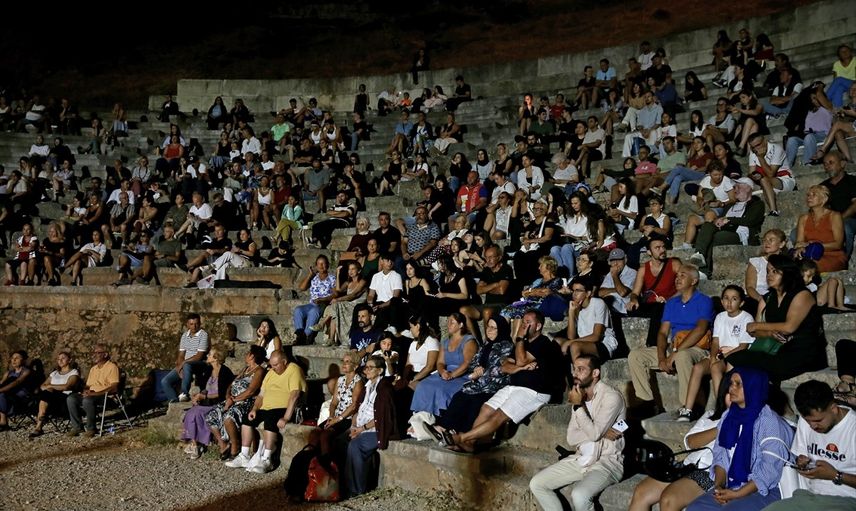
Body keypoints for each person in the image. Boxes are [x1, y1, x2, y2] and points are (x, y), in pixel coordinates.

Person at [446, 310, 564, 453]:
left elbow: (521, 360)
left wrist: (519, 341)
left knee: (498, 415)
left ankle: (462, 438)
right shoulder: (523, 344)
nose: (524, 325)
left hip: (534, 391)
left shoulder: (543, 343)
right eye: (523, 322)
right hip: (513, 386)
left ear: (538, 326)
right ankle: (472, 443)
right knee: (486, 409)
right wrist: (520, 368)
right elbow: (505, 366)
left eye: (528, 322)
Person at [685, 367, 794, 511]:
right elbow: (721, 457)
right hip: (734, 484)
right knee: (696, 508)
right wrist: (719, 487)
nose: (731, 388)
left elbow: (768, 472)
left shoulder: (769, 422)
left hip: (767, 488)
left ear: (753, 387)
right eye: (731, 383)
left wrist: (737, 494)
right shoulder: (729, 416)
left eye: (738, 384)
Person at [529, 354, 626, 511]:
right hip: (581, 459)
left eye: (581, 369)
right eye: (574, 369)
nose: (575, 373)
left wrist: (579, 407)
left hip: (606, 463)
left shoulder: (611, 397)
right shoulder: (578, 394)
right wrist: (601, 432)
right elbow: (571, 438)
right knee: (537, 483)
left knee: (579, 495)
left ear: (595, 373)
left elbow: (594, 434)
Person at [629, 378, 732, 511]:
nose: (733, 397)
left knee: (669, 499)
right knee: (641, 491)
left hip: (710, 474)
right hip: (688, 465)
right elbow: (690, 442)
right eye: (730, 392)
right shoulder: (710, 416)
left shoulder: (749, 424)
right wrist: (721, 428)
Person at [629, 264, 713, 418]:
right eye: (677, 275)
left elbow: (700, 329)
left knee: (682, 356)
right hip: (674, 347)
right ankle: (647, 403)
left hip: (696, 348)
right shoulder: (671, 303)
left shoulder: (704, 301)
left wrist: (675, 353)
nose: (677, 278)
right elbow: (662, 332)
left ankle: (688, 406)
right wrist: (662, 358)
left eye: (683, 275)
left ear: (694, 281)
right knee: (636, 356)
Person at [728, 255, 828, 383]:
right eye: (768, 271)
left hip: (805, 351)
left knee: (746, 363)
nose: (769, 275)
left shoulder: (802, 295)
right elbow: (754, 332)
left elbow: (789, 327)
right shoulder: (768, 298)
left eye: (775, 271)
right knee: (736, 359)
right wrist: (769, 333)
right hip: (781, 349)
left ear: (787, 273)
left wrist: (757, 325)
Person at [760, 380, 856, 509]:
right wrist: (801, 463)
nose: (813, 426)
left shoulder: (852, 427)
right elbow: (799, 457)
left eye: (818, 420)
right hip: (810, 496)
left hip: (848, 500)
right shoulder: (806, 423)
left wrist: (835, 475)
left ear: (834, 408)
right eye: (808, 421)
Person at [679, 285, 754, 422]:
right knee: (698, 368)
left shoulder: (746, 318)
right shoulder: (720, 317)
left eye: (734, 299)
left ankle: (723, 408)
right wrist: (713, 356)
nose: (729, 302)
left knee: (716, 368)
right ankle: (687, 409)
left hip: (736, 355)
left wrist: (722, 356)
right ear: (721, 301)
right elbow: (715, 342)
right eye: (726, 298)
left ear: (741, 302)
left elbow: (743, 346)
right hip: (720, 354)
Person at [429, 316, 513, 437]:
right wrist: (476, 369)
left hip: (495, 385)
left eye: (493, 328)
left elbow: (499, 368)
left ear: (501, 329)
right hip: (480, 383)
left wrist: (481, 373)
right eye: (488, 326)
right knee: (460, 396)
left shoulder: (506, 346)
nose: (489, 330)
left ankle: (463, 434)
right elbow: (474, 362)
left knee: (475, 402)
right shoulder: (486, 345)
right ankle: (444, 428)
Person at [225, 350, 306, 473]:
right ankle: (244, 455)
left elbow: (295, 395)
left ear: (284, 362)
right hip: (266, 408)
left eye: (276, 365)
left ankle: (267, 459)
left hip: (283, 407)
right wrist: (254, 409)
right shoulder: (271, 373)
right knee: (247, 419)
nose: (273, 368)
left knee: (270, 420)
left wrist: (286, 417)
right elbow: (261, 395)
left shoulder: (294, 370)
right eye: (272, 365)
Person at [344, 354, 397, 498]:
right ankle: (341, 484)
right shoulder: (367, 386)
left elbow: (381, 417)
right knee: (340, 441)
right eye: (366, 367)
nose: (366, 370)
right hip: (360, 427)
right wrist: (354, 424)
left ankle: (356, 489)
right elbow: (359, 408)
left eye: (370, 368)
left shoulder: (384, 389)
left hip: (375, 430)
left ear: (380, 371)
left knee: (356, 445)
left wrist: (361, 429)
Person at [410, 313, 477, 418]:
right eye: (448, 321)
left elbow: (467, 363)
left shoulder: (469, 341)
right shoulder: (445, 342)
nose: (448, 324)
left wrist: (452, 375)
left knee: (442, 390)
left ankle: (440, 417)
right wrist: (442, 372)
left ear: (461, 325)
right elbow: (440, 362)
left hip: (461, 374)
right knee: (423, 385)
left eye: (452, 322)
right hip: (445, 373)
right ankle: (421, 416)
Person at [206, 345, 266, 460]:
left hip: (245, 402)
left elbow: (250, 391)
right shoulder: (245, 369)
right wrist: (228, 397)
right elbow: (231, 385)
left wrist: (233, 400)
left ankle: (235, 444)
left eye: (248, 353)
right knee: (211, 415)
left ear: (252, 356)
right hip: (232, 400)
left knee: (229, 418)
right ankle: (223, 444)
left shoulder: (259, 371)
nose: (246, 354)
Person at [180, 349, 234, 459]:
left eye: (210, 354)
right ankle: (195, 444)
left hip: (218, 403)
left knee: (194, 413)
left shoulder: (225, 372)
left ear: (216, 358)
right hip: (207, 402)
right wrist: (198, 395)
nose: (207, 356)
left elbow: (222, 394)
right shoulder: (209, 369)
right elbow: (204, 388)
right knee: (191, 413)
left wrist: (204, 396)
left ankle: (196, 445)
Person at [558, 278, 619, 362]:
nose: (574, 294)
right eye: (573, 291)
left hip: (604, 344)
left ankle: (577, 369)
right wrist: (571, 312)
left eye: (578, 291)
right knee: (557, 341)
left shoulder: (598, 303)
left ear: (588, 293)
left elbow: (596, 336)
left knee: (575, 346)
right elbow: (571, 337)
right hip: (585, 343)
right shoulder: (576, 307)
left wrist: (570, 342)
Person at [66, 344, 120, 437]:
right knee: (71, 398)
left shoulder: (112, 367)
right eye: (93, 353)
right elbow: (88, 386)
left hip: (106, 397)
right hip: (92, 394)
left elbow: (114, 387)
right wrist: (84, 391)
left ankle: (91, 429)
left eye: (98, 353)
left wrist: (96, 393)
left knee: (87, 400)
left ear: (105, 354)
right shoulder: (93, 369)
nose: (94, 355)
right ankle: (77, 427)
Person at [794, 185, 847, 273]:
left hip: (832, 256)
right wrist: (800, 247)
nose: (809, 197)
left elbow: (838, 244)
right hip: (809, 254)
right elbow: (799, 242)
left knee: (809, 266)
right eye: (808, 195)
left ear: (824, 199)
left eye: (814, 195)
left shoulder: (834, 216)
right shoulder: (803, 218)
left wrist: (813, 245)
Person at [160, 314, 209, 403]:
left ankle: (184, 393)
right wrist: (180, 368)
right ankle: (173, 400)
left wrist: (183, 364)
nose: (194, 326)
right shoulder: (185, 335)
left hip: (199, 364)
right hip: (186, 364)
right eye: (191, 324)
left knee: (187, 364)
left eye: (196, 324)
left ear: (199, 324)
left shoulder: (203, 335)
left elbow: (199, 356)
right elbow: (181, 355)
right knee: (165, 381)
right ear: (187, 324)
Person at [29, 351, 79, 437]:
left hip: (64, 398)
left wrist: (51, 386)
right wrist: (51, 388)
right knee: (46, 394)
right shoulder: (54, 373)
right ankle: (41, 420)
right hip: (50, 398)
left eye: (63, 358)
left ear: (70, 360)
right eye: (58, 359)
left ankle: (39, 425)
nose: (60, 360)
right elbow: (42, 386)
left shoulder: (73, 372)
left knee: (46, 394)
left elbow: (66, 387)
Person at [819, 152, 856, 258]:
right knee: (795, 233)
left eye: (831, 163)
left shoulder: (852, 181)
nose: (827, 166)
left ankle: (842, 259)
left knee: (845, 227)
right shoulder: (823, 186)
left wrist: (839, 219)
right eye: (825, 164)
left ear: (842, 164)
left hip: (850, 219)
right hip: (829, 220)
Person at [294, 255, 336, 345]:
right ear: (316, 266)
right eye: (319, 264)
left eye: (323, 263)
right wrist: (310, 275)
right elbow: (302, 288)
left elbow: (335, 294)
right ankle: (300, 335)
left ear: (327, 265)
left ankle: (306, 335)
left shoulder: (332, 278)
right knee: (298, 310)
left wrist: (323, 299)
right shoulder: (314, 277)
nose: (321, 266)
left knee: (314, 311)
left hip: (323, 304)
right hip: (312, 304)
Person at [0, 350, 34, 430]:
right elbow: (1, 382)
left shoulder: (26, 371)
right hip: (9, 394)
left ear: (23, 360)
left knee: (1, 395)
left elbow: (16, 382)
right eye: (12, 358)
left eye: (17, 358)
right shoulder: (8, 373)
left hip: (22, 397)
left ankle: (3, 422)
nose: (14, 360)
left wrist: (1, 390)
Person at [598, 248, 637, 315]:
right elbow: (600, 293)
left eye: (619, 260)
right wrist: (616, 289)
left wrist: (614, 275)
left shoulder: (632, 273)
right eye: (613, 261)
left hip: (625, 308)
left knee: (608, 300)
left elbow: (622, 292)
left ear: (625, 260)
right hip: (610, 306)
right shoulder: (610, 274)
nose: (616, 263)